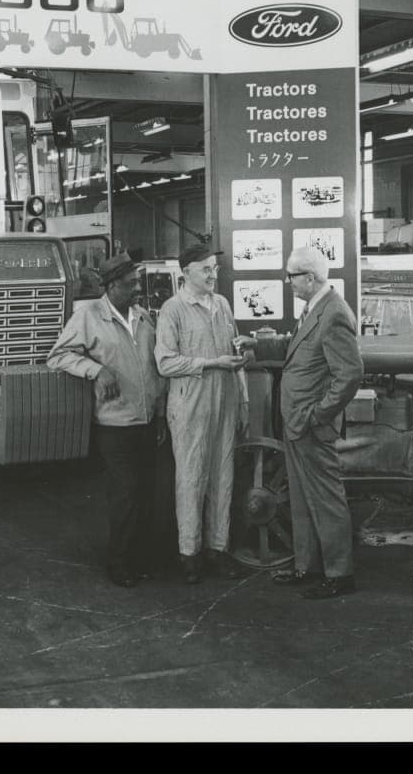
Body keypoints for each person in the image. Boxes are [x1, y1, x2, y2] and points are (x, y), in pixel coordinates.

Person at [47, 252, 166, 588]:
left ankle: (142, 560)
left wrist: (158, 413)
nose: (136, 290)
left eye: (136, 284)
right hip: (115, 425)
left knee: (146, 494)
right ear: (112, 287)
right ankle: (120, 563)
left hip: (146, 421)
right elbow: (58, 355)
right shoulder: (90, 317)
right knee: (125, 495)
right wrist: (95, 370)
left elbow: (154, 369)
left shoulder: (142, 317)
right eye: (130, 285)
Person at [265, 245, 363, 599]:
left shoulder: (334, 313)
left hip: (309, 424)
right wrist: (260, 345)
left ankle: (339, 574)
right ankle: (306, 566)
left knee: (325, 498)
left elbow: (350, 374)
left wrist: (318, 414)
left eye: (291, 276)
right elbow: (300, 349)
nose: (287, 281)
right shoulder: (314, 308)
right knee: (304, 499)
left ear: (309, 278)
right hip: (297, 422)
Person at [154, 244, 253, 584]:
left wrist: (243, 400)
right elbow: (165, 363)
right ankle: (189, 554)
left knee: (223, 477)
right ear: (186, 273)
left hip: (224, 401)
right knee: (191, 479)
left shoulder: (222, 305)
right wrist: (211, 363)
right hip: (190, 404)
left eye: (215, 268)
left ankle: (218, 549)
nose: (213, 274)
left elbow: (233, 352)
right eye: (206, 269)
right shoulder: (173, 310)